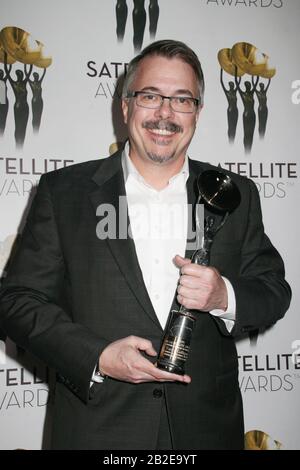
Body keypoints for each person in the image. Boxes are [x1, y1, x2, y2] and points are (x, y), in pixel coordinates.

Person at [0, 40, 291, 450]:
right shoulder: (64, 193)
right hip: (98, 430)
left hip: (206, 431)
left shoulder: (235, 193)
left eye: (182, 100)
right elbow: (16, 301)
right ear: (125, 106)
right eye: (151, 96)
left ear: (198, 112)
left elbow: (273, 291)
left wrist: (225, 295)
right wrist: (97, 355)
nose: (165, 114)